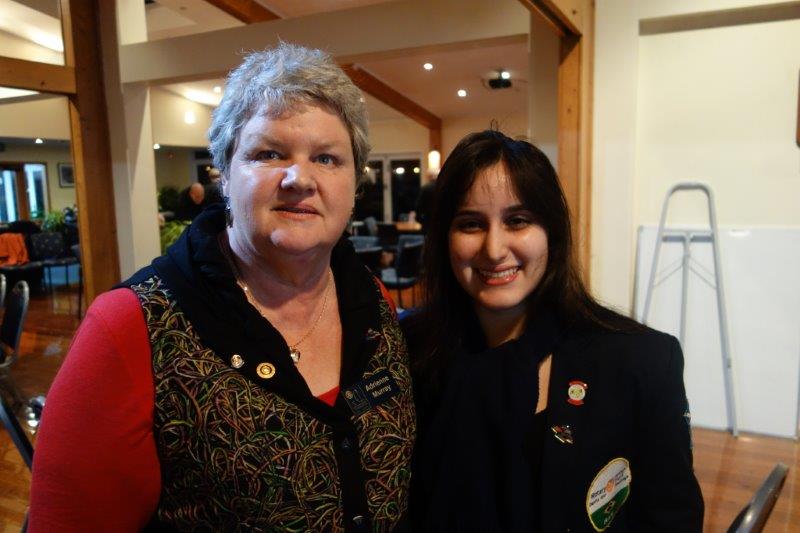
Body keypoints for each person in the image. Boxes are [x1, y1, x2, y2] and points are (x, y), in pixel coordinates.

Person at [29, 44, 415, 531]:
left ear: (354, 186)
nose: (300, 178)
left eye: (327, 158)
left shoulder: (370, 301)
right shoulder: (131, 327)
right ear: (225, 175)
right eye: (268, 153)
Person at [404, 130, 704, 532]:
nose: (494, 249)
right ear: (445, 240)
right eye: (471, 224)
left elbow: (672, 520)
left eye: (518, 220)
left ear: (552, 232)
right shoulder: (410, 355)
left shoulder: (641, 362)